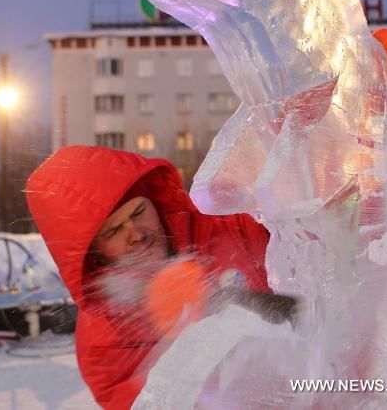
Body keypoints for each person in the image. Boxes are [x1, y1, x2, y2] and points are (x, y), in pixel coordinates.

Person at [26, 145, 295, 409]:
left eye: (139, 212)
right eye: (113, 231)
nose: (136, 233)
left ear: (153, 202)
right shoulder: (105, 346)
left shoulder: (228, 226)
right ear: (93, 254)